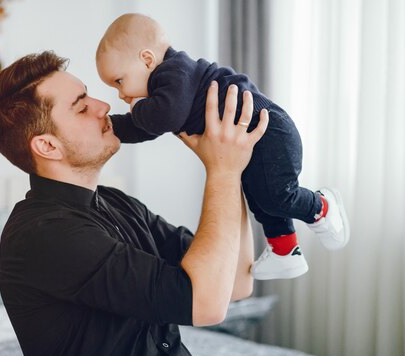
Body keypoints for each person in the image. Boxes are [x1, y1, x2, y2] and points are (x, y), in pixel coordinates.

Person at [0, 51, 391, 356]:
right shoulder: (44, 235)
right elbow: (206, 305)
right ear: (47, 145)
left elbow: (235, 282)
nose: (105, 105)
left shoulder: (117, 203)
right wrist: (222, 171)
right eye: (82, 106)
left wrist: (239, 165)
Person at [96, 13, 350, 280]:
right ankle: (284, 250)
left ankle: (321, 206)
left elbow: (163, 117)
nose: (122, 95)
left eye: (119, 81)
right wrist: (113, 127)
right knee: (259, 198)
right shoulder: (170, 89)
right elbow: (150, 126)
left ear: (147, 60)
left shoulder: (174, 71)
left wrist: (136, 107)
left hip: (270, 130)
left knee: (276, 196)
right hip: (253, 139)